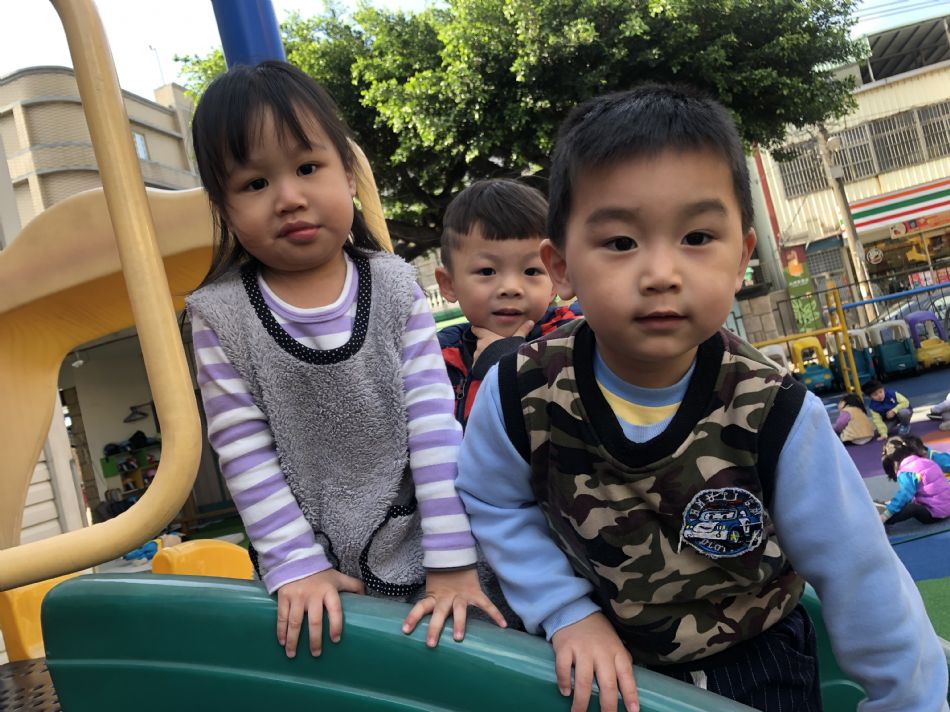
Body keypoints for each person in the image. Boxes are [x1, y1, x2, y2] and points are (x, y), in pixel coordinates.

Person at [454, 84, 948, 712]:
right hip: (598, 664)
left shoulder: (773, 410)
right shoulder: (520, 390)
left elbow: (859, 570)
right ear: (561, 268)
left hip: (756, 660)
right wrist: (564, 610)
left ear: (742, 257)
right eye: (621, 243)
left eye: (696, 237)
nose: (662, 273)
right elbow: (491, 499)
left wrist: (910, 702)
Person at [185, 61, 505, 660]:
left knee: (472, 650)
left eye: (308, 168)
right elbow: (244, 450)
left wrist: (452, 562)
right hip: (313, 560)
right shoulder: (220, 315)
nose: (289, 198)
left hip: (428, 539)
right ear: (222, 206)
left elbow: (434, 427)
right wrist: (296, 564)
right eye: (255, 184)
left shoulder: (392, 285)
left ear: (350, 175)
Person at [435, 179, 581, 426]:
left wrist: (505, 362)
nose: (511, 288)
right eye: (487, 271)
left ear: (554, 281)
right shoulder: (440, 358)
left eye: (531, 271)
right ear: (449, 284)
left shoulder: (574, 337)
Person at [880, 435, 950, 525]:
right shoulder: (928, 460)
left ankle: (882, 521)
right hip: (947, 505)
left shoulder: (906, 471)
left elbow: (905, 494)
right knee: (908, 498)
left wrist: (886, 514)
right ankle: (890, 506)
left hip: (935, 514)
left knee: (911, 508)